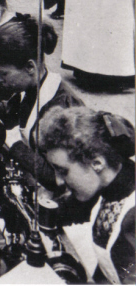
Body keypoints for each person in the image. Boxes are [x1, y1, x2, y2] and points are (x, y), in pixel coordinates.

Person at [0, 17, 84, 190]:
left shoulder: (61, 110)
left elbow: (59, 179)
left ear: (30, 67)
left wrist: (13, 143)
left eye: (3, 73)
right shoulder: (31, 86)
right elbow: (15, 111)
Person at [39, 107, 135, 284]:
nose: (59, 181)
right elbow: (70, 207)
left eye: (63, 171)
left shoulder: (132, 218)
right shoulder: (110, 184)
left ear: (97, 163)